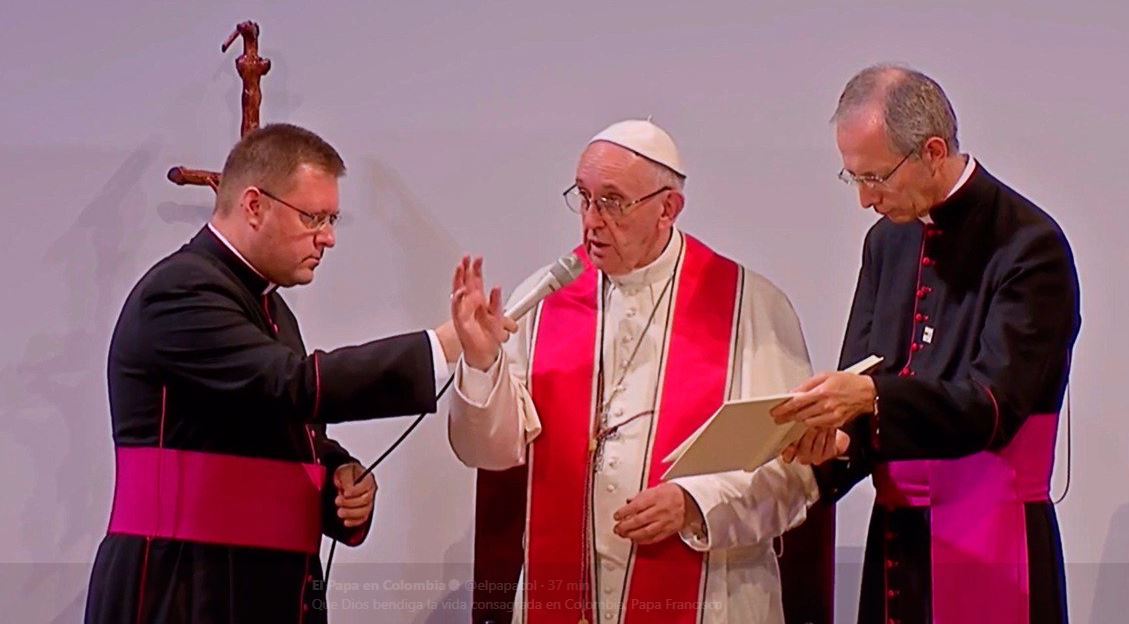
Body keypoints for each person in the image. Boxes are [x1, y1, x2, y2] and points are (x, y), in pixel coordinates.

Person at [449, 120, 824, 624]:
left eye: (612, 201)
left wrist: (694, 503)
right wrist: (480, 364)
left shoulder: (747, 307)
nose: (591, 221)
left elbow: (792, 470)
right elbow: (488, 452)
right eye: (583, 198)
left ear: (667, 208)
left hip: (711, 601)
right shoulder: (544, 296)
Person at [85, 123, 459, 623]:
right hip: (182, 585)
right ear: (255, 205)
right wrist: (443, 346)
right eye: (313, 217)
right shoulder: (179, 293)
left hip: (268, 587)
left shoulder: (274, 309)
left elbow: (278, 427)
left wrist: (339, 479)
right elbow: (291, 385)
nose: (326, 237)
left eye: (332, 219)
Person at [774, 64, 1081, 623]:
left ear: (933, 151)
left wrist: (869, 399)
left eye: (876, 178)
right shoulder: (886, 243)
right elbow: (864, 383)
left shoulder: (1029, 245)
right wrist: (837, 443)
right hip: (898, 543)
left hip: (992, 540)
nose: (865, 199)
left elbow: (994, 406)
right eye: (854, 178)